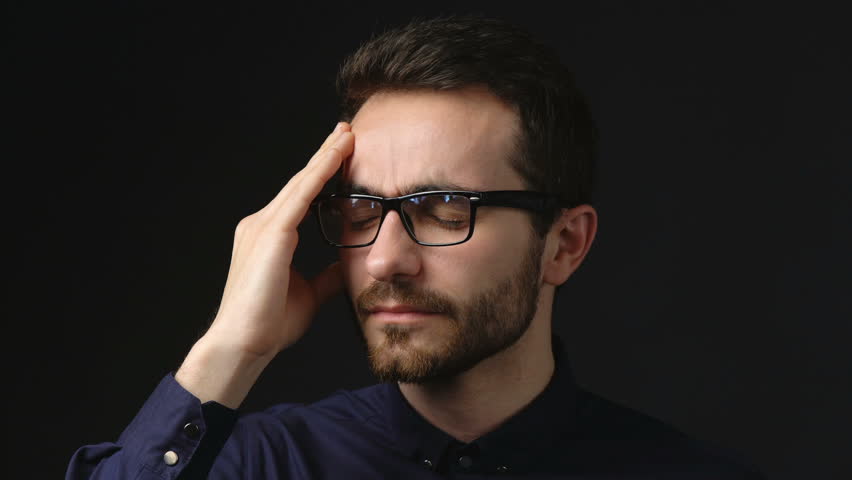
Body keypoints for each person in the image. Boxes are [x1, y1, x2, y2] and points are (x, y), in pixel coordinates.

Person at [67, 15, 765, 479]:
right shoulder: (255, 464)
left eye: (442, 208)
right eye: (363, 209)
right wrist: (228, 351)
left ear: (565, 244)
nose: (385, 259)